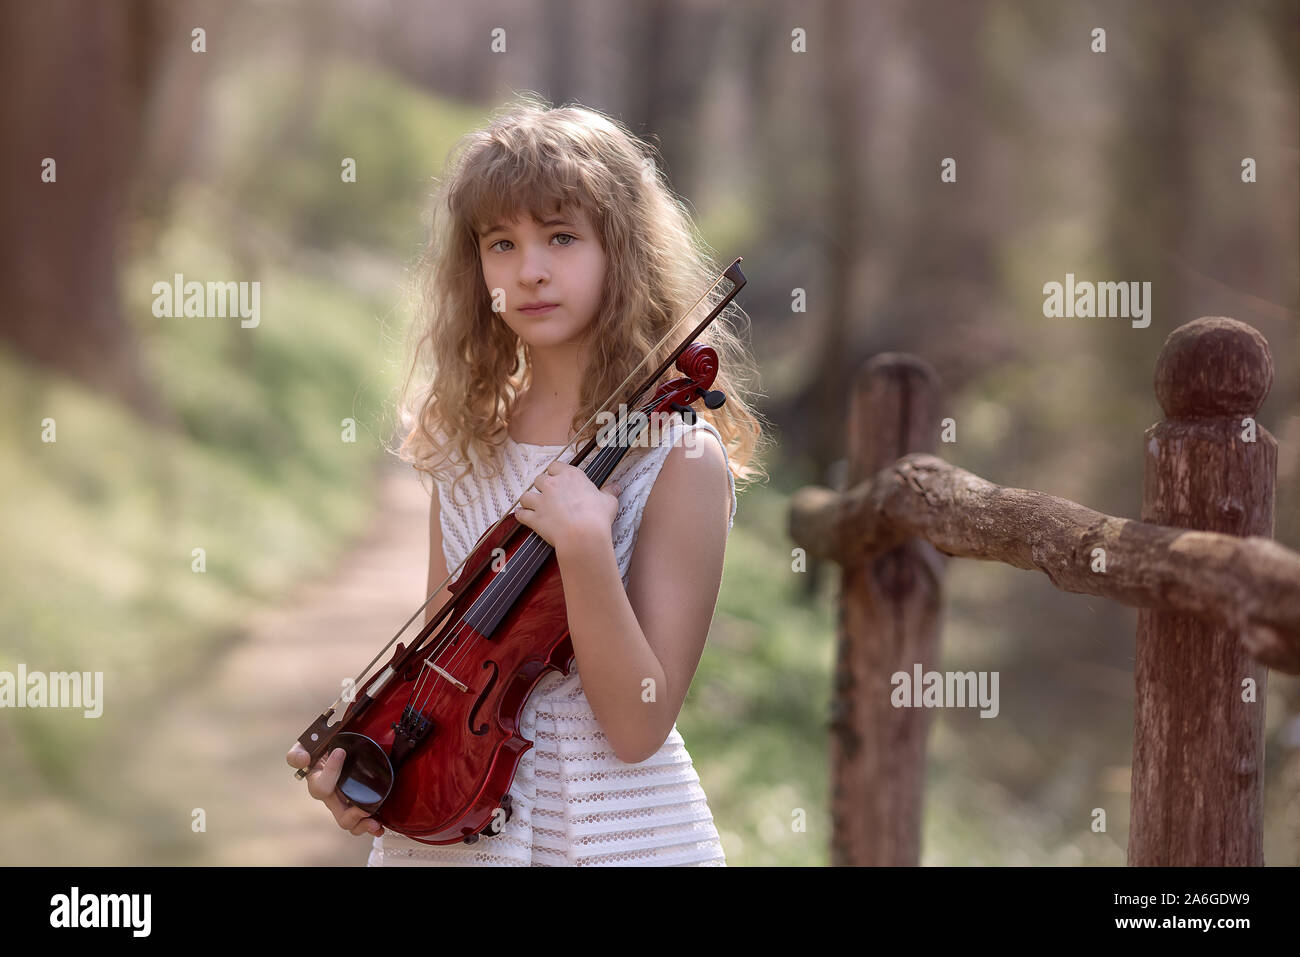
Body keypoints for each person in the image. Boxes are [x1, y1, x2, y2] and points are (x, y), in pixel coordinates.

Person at [286, 94, 767, 865]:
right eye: (501, 243)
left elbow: (638, 723)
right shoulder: (465, 441)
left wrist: (584, 548)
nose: (530, 270)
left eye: (563, 237)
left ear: (624, 251)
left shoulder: (677, 457)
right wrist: (373, 761)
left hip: (610, 836)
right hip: (449, 834)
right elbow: (445, 659)